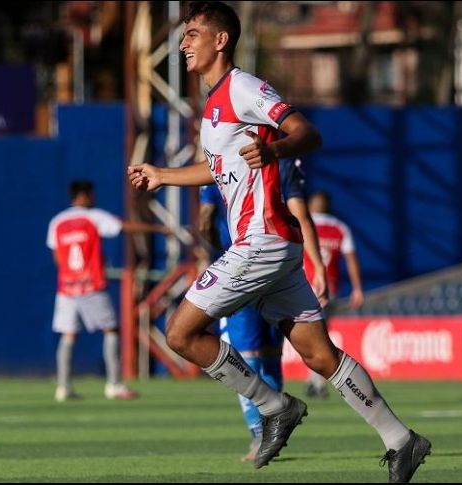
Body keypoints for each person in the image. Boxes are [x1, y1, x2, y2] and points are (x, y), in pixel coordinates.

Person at [127, 2, 431, 482]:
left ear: (219, 41)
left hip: (261, 239)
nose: (183, 44)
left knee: (180, 333)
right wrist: (163, 175)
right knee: (318, 354)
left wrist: (276, 148)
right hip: (273, 247)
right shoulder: (212, 107)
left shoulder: (243, 88)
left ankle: (274, 406)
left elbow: (306, 132)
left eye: (191, 35)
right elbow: (219, 167)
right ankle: (402, 440)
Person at [199, 157, 328, 462]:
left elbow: (205, 219)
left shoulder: (216, 162)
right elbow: (300, 215)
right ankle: (273, 429)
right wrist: (318, 265)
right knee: (270, 353)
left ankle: (260, 433)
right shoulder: (281, 161)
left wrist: (219, 252)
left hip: (240, 268)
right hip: (280, 267)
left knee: (246, 356)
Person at [47, 180, 165, 402]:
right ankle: (114, 384)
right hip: (91, 284)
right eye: (91, 195)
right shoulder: (93, 217)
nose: (94, 198)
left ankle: (63, 387)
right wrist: (158, 229)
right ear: (83, 195)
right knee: (111, 330)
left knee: (68, 334)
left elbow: (57, 257)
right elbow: (123, 227)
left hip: (66, 287)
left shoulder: (57, 221)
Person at [303, 190, 366, 398]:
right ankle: (316, 382)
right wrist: (357, 288)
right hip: (329, 289)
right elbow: (351, 259)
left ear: (311, 205)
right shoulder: (339, 228)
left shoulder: (303, 223)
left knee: (312, 337)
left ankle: (317, 382)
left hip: (305, 287)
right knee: (320, 335)